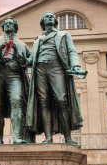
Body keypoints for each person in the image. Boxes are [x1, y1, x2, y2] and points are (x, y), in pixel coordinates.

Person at [26, 12, 86, 145]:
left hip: (56, 67)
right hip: (40, 69)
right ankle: (48, 137)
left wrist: (75, 65)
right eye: (46, 16)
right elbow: (31, 59)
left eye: (51, 16)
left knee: (61, 99)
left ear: (55, 21)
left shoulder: (64, 35)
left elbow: (71, 51)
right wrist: (22, 60)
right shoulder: (38, 39)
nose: (49, 17)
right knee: (43, 102)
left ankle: (68, 138)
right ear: (42, 22)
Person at [0, 17, 31, 144]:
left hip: (15, 75)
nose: (9, 25)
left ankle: (17, 137)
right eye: (6, 23)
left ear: (15, 27)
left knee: (17, 101)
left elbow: (31, 60)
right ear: (3, 27)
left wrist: (24, 61)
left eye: (11, 23)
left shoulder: (22, 44)